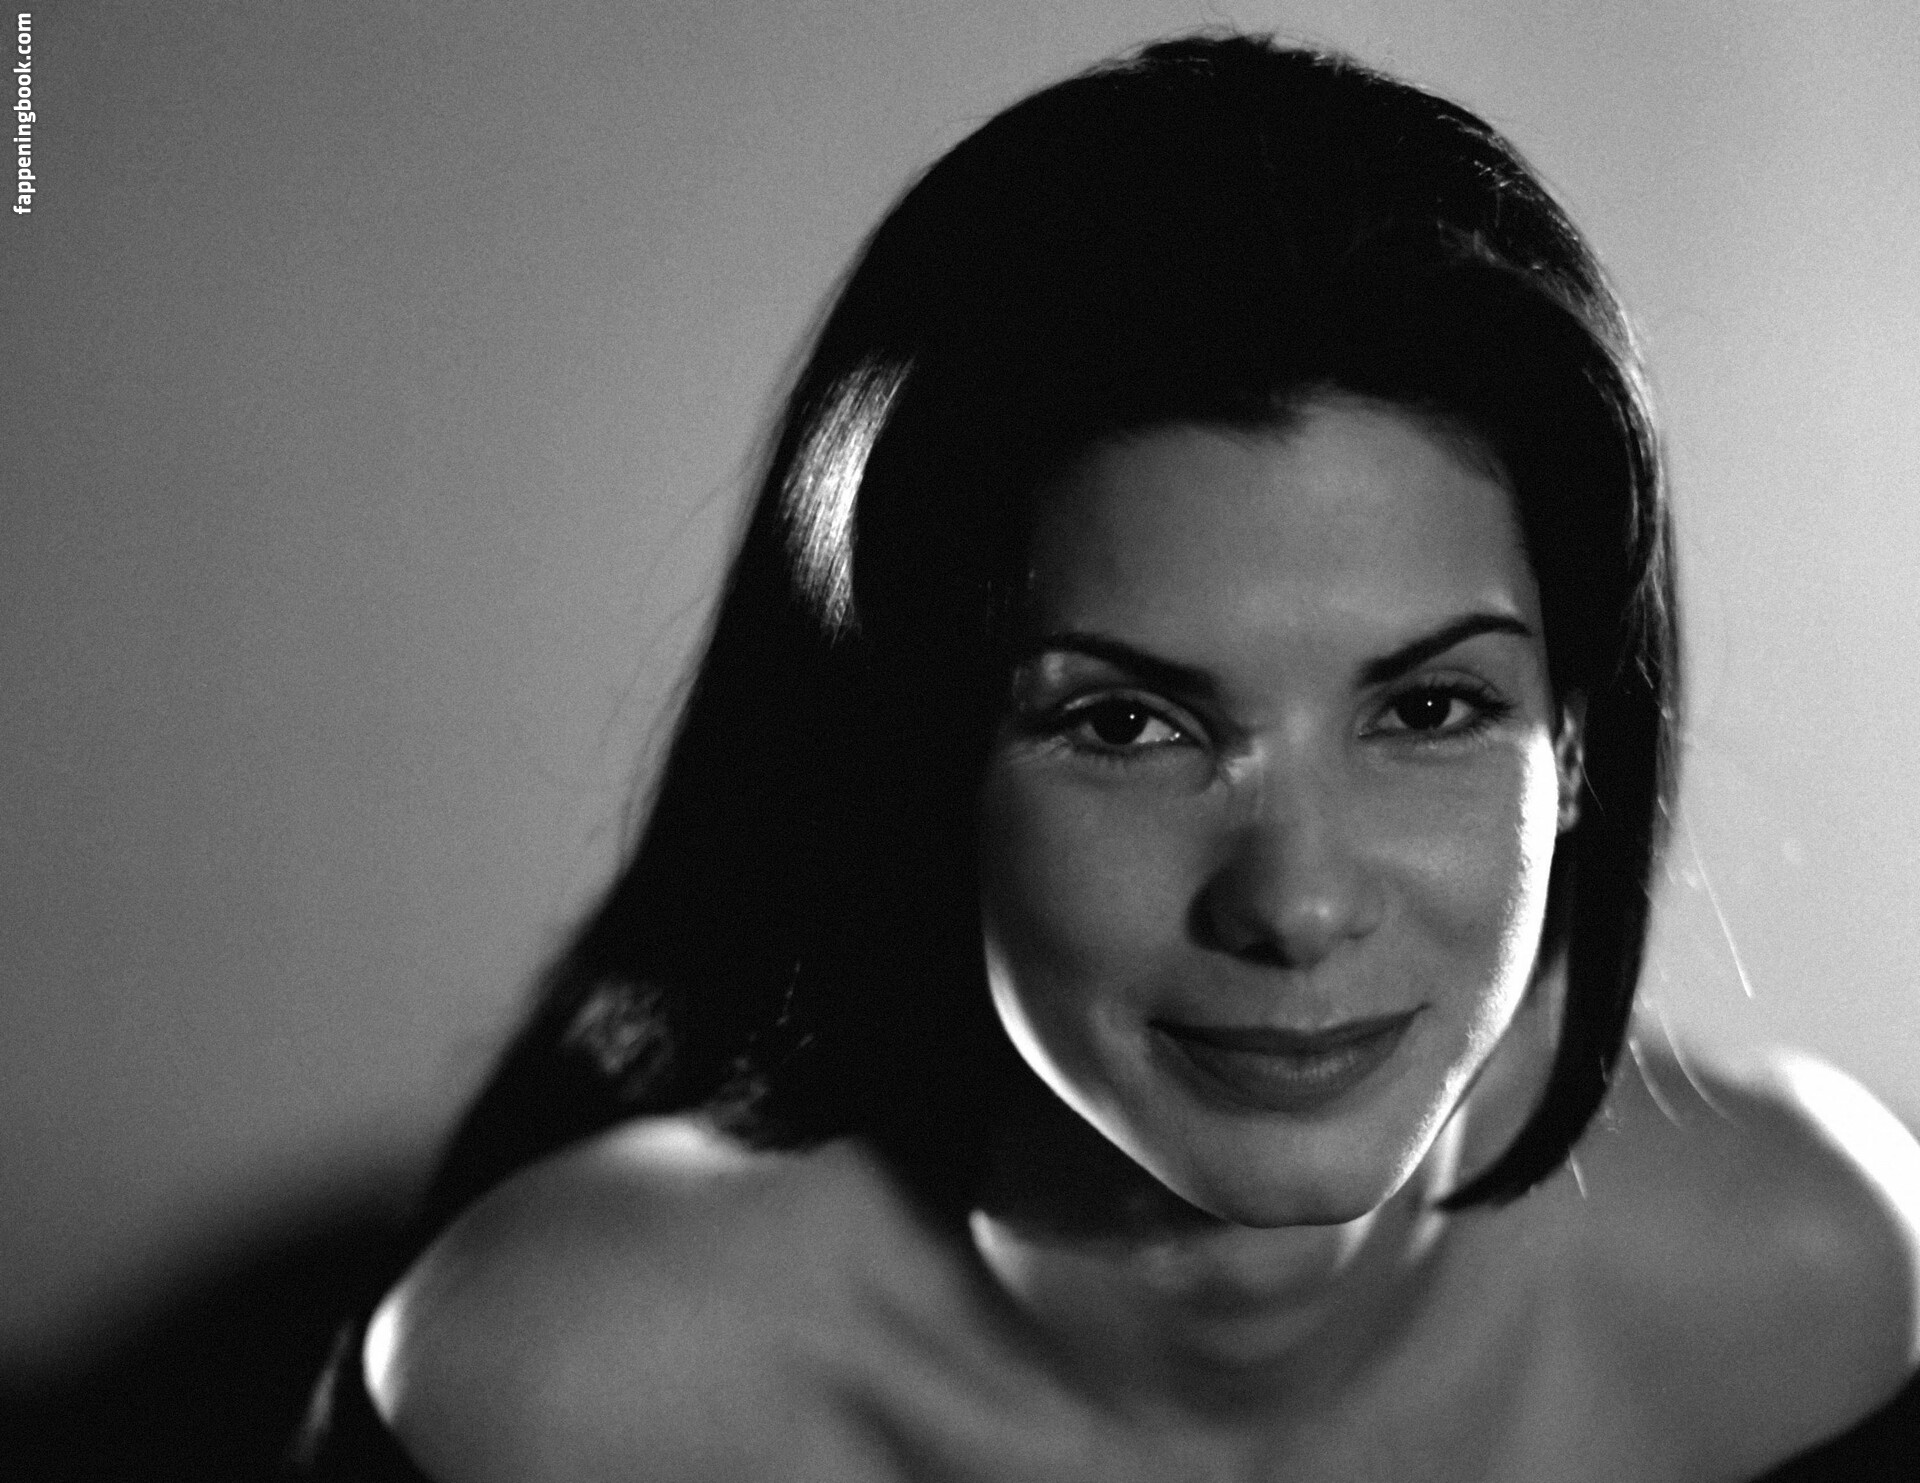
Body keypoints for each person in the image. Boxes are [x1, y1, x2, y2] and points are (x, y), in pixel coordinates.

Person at [292, 32, 1920, 1481]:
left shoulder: (1817, 1280)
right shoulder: (564, 1395)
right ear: (918, 757)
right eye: (1126, 723)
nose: (1296, 904)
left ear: (1572, 739)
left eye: (1429, 709)